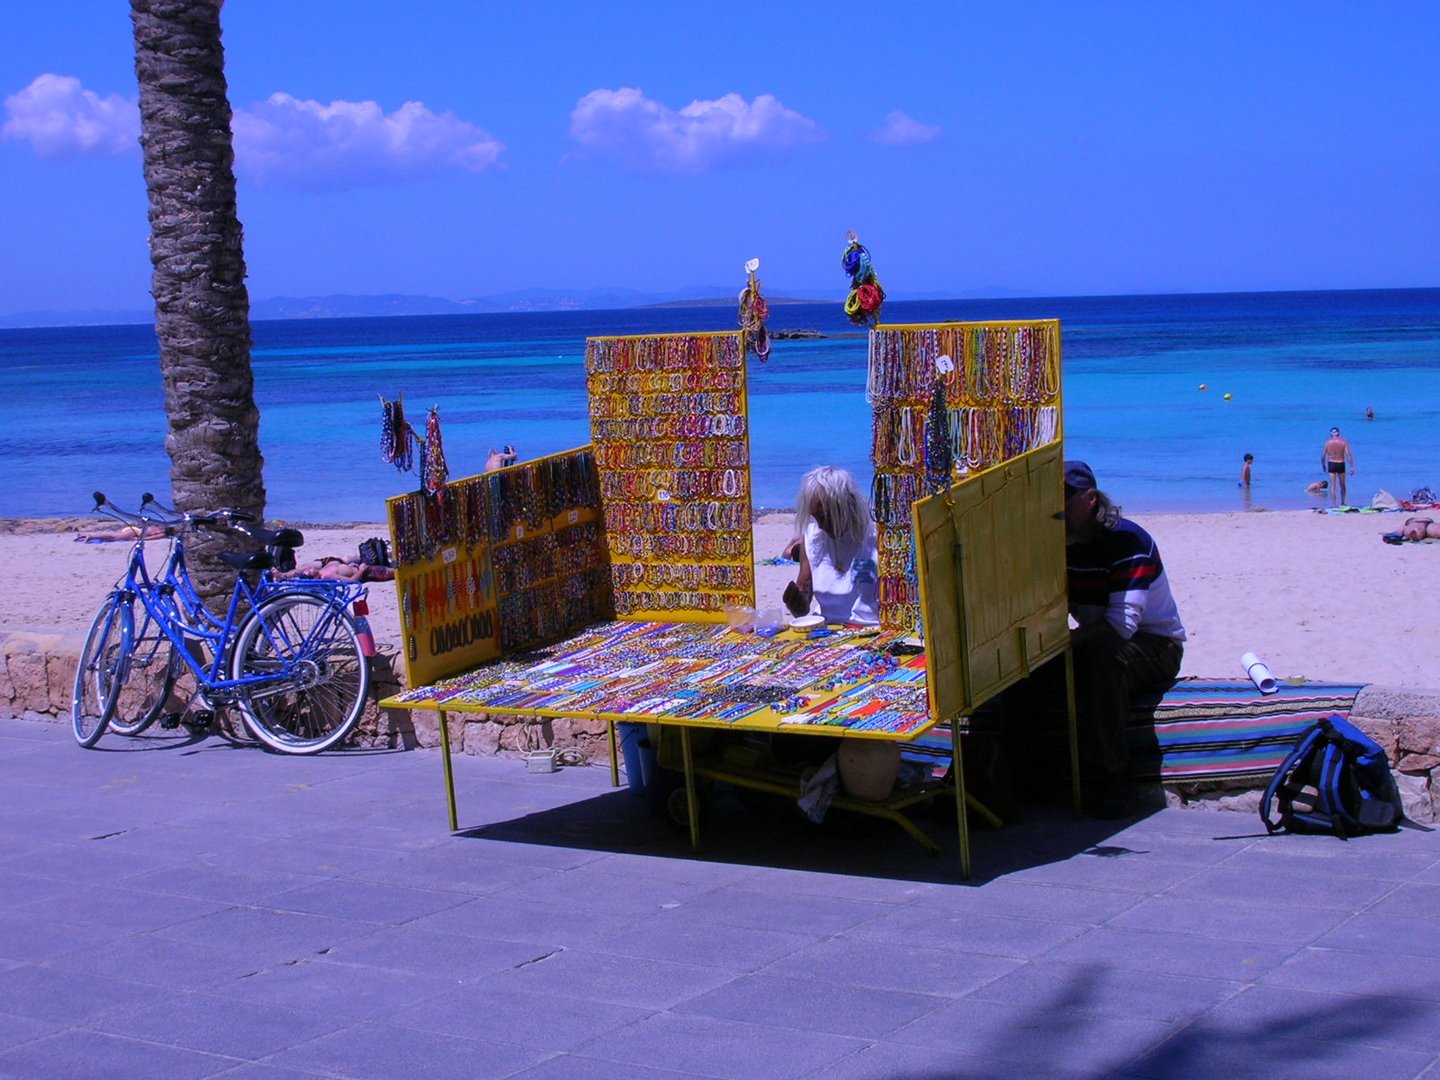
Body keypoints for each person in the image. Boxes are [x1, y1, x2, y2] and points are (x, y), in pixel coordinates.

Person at [1020, 461, 1187, 818]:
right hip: (1096, 638)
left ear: (1091, 499)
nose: (1056, 505)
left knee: (1102, 659)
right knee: (1026, 669)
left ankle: (1114, 778)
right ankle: (1024, 773)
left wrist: (1066, 641)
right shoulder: (1060, 543)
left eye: (1065, 496)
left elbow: (1121, 627)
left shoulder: (1128, 542)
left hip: (1156, 644)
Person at [782, 466, 879, 626]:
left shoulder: (874, 537)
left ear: (846, 507)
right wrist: (797, 603)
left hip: (869, 629)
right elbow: (803, 606)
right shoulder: (812, 537)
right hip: (825, 628)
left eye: (824, 516)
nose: (820, 525)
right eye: (815, 517)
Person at [1321, 426, 1355, 507]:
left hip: (1331, 463)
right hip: (1340, 463)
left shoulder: (1327, 442)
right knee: (1342, 485)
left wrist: (1323, 465)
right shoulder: (1343, 442)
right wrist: (1352, 466)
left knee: (1333, 486)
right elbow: (1348, 454)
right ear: (1338, 433)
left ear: (1330, 434)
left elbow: (1323, 456)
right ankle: (1343, 502)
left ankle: (1334, 505)